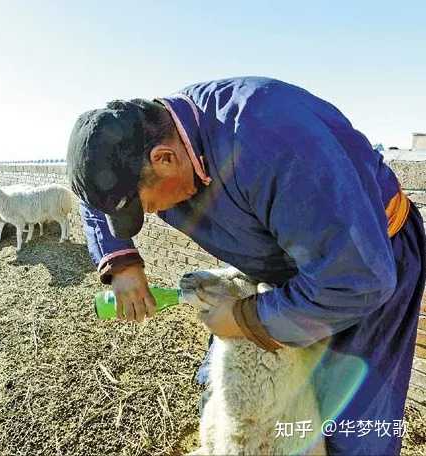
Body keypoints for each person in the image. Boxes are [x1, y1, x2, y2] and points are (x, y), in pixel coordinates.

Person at [66, 77, 424, 455]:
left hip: (361, 264)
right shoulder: (137, 144)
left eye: (145, 206)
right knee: (224, 394)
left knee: (352, 426)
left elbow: (358, 279)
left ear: (165, 158)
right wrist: (120, 259)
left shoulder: (271, 140)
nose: (151, 214)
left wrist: (245, 319)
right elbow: (95, 189)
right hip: (283, 260)